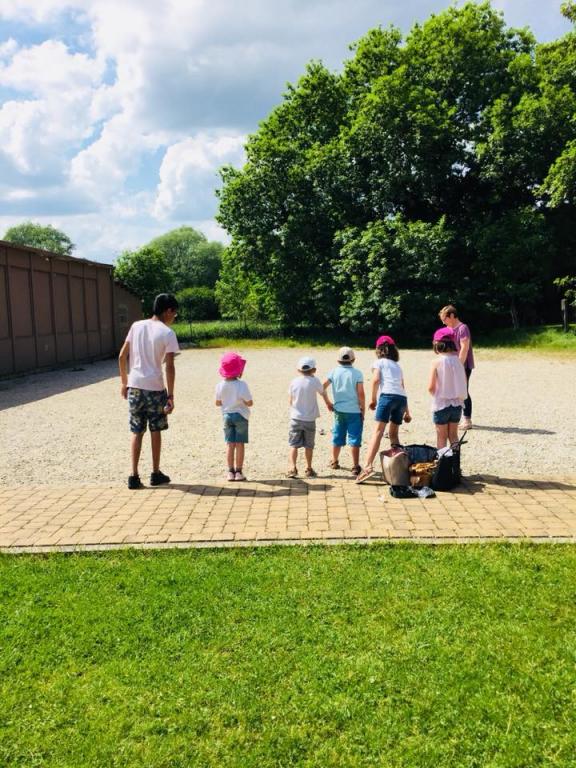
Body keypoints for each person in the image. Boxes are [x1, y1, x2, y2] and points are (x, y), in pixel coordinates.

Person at [118, 293, 180, 489]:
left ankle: (134, 475)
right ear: (168, 310)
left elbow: (122, 356)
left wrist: (124, 382)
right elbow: (169, 366)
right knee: (156, 430)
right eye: (174, 313)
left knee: (136, 430)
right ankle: (155, 473)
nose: (174, 317)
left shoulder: (136, 326)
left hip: (135, 386)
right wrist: (170, 395)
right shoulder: (167, 333)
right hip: (155, 388)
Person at [355, 335, 411, 484]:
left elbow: (375, 380)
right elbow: (402, 387)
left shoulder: (378, 362)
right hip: (401, 399)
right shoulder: (397, 366)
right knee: (393, 433)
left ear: (378, 350)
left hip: (387, 396)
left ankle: (367, 467)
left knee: (378, 432)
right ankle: (400, 467)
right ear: (393, 350)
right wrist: (407, 411)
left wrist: (373, 399)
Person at [287, 356, 333, 478]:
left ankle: (292, 468)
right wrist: (328, 403)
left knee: (293, 445)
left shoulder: (294, 382)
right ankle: (308, 468)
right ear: (314, 370)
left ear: (298, 370)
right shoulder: (315, 381)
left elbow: (290, 401)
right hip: (309, 419)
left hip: (295, 418)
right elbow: (323, 392)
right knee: (309, 445)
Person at [323, 346, 365, 476]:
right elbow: (361, 394)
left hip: (339, 410)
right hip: (354, 411)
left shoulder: (333, 372)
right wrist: (362, 410)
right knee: (354, 438)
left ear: (338, 360)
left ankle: (334, 461)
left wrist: (328, 402)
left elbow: (321, 387)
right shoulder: (357, 373)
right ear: (354, 359)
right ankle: (355, 466)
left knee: (337, 435)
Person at [215, 352, 253, 481]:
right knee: (240, 444)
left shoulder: (220, 385)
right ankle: (239, 472)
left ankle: (230, 472)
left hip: (227, 416)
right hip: (241, 415)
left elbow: (217, 402)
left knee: (230, 444)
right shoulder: (242, 385)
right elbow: (250, 402)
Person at [428, 327, 468, 449]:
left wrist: (435, 394)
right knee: (454, 436)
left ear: (437, 345)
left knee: (441, 437)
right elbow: (464, 382)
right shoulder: (458, 362)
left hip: (441, 404)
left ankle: (443, 466)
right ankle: (455, 466)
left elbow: (430, 387)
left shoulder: (436, 362)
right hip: (456, 404)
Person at [438, 304, 474, 429]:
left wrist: (458, 365)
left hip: (463, 365)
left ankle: (467, 420)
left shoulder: (463, 328)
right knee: (454, 391)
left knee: (463, 391)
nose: (444, 323)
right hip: (452, 365)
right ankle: (456, 417)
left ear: (452, 315)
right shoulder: (448, 330)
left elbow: (464, 347)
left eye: (445, 319)